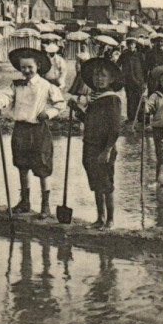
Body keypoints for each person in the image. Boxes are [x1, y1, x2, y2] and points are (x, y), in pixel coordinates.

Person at [0, 47, 66, 219]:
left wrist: (48, 114)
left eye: (30, 67)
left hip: (38, 129)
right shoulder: (16, 85)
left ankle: (45, 206)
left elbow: (60, 104)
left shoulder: (46, 86)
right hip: (21, 129)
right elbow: (5, 95)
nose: (26, 70)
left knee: (42, 167)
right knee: (22, 165)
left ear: (38, 66)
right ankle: (25, 202)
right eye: (23, 67)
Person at [67, 57, 122, 230]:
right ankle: (100, 218)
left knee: (106, 184)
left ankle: (111, 220)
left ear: (111, 79)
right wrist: (77, 110)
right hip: (90, 144)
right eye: (96, 76)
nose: (99, 79)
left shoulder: (112, 99)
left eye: (103, 76)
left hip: (104, 147)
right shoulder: (94, 98)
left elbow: (115, 128)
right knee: (96, 183)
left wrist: (107, 150)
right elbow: (89, 121)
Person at [117, 38, 146, 126]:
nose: (130, 46)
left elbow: (145, 68)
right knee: (130, 99)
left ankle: (140, 118)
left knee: (139, 98)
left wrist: (145, 81)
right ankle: (131, 118)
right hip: (128, 80)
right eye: (129, 44)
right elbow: (118, 65)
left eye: (132, 44)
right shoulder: (124, 55)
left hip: (139, 80)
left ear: (135, 45)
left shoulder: (140, 55)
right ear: (127, 45)